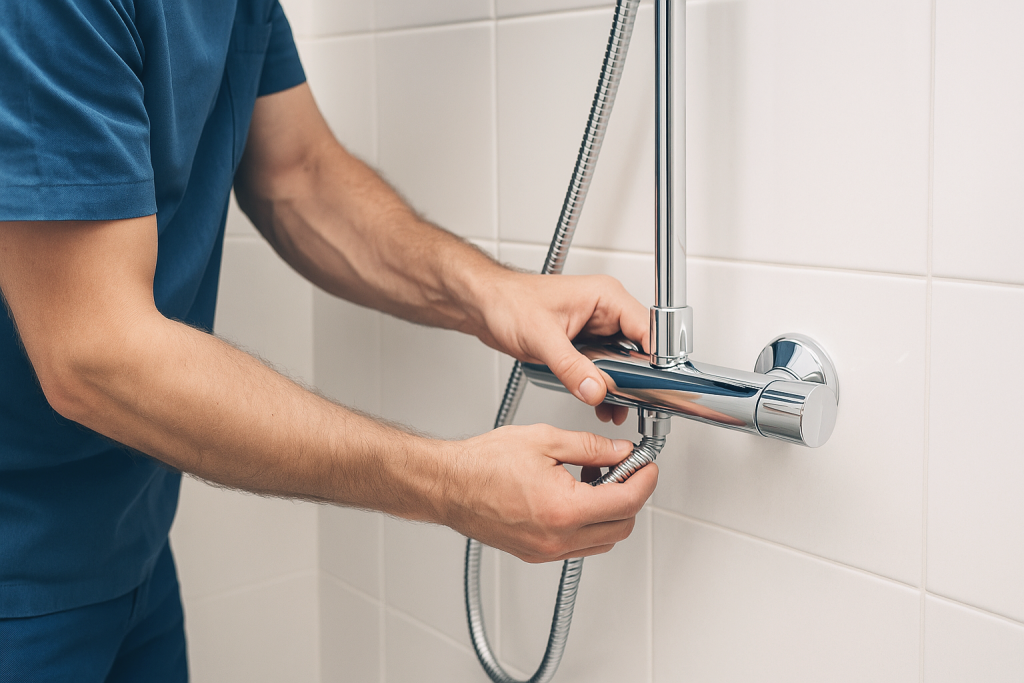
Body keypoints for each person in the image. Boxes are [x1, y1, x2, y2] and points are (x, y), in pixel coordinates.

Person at [0, 0, 659, 680]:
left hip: (128, 544)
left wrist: (495, 294)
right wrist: (448, 484)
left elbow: (297, 174)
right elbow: (96, 355)